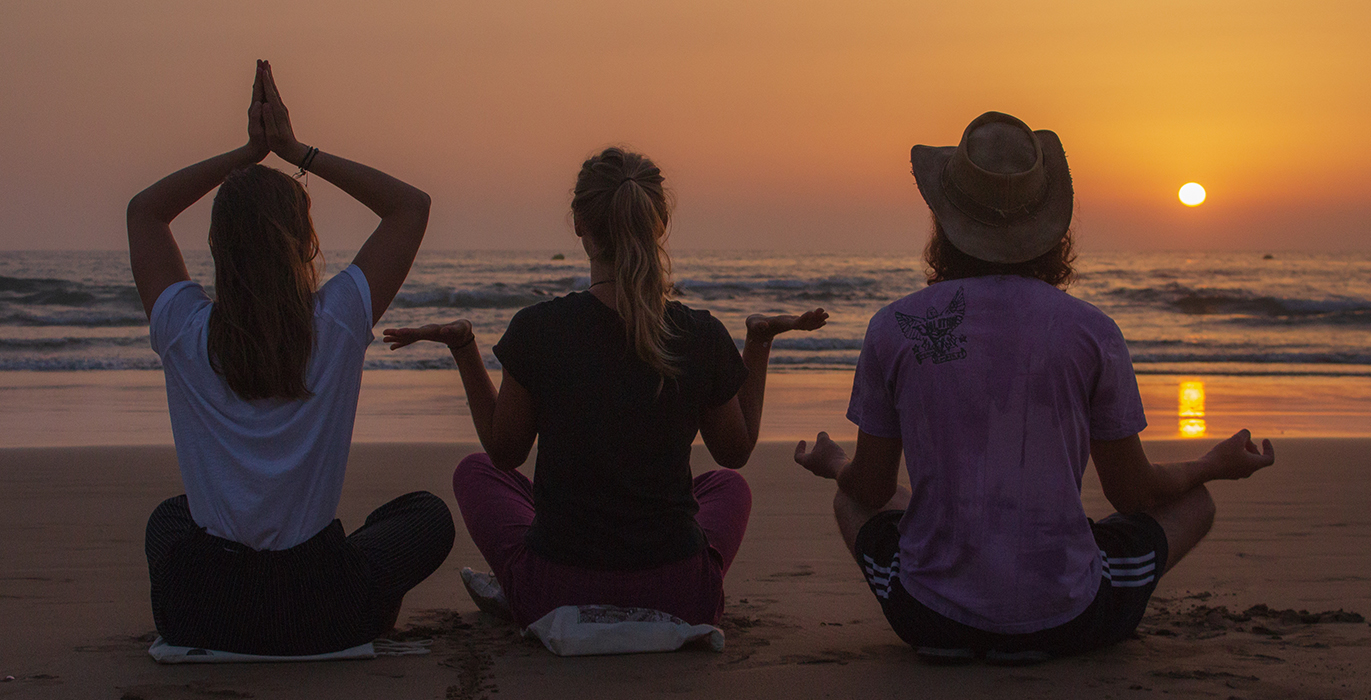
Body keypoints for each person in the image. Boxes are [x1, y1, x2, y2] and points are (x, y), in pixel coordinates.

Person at [794, 112, 1275, 662]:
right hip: (1063, 618)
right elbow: (1135, 495)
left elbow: (871, 490)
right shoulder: (1093, 331)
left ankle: (964, 607)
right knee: (1197, 504)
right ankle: (1045, 601)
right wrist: (1213, 464)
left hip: (928, 617)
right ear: (1051, 229)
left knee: (854, 503)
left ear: (944, 225)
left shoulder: (893, 327)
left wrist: (833, 462)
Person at [383, 147, 827, 626]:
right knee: (728, 485)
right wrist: (757, 344)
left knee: (476, 472)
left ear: (579, 222)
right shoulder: (699, 333)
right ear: (659, 223)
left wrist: (464, 347)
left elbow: (504, 453)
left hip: (557, 591)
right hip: (680, 595)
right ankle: (683, 582)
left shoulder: (539, 328)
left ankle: (517, 587)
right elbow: (735, 451)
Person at [130, 61, 454, 656]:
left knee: (170, 520)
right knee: (425, 516)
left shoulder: (183, 329)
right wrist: (295, 151)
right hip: (321, 607)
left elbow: (144, 212)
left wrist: (246, 155)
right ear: (306, 243)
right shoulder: (337, 322)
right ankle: (372, 612)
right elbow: (410, 206)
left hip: (204, 609)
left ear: (216, 248)